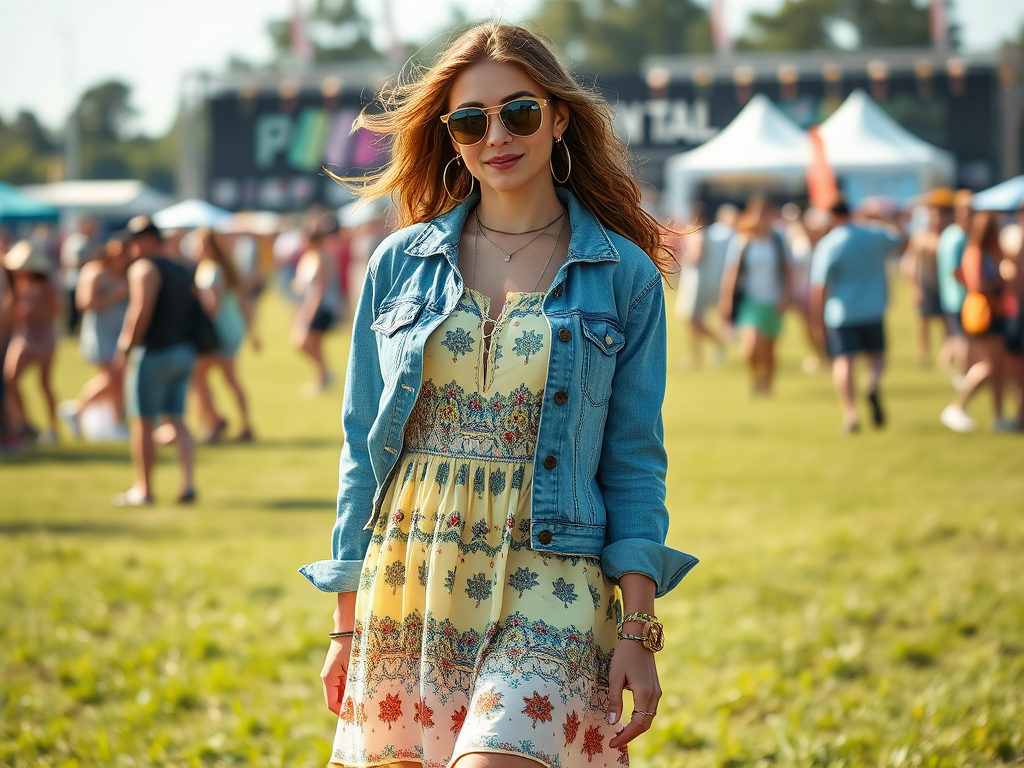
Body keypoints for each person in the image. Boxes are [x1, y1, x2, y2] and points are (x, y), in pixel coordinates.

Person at [298, 23, 698, 768]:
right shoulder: (398, 265)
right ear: (449, 136)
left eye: (517, 112)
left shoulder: (624, 276)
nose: (496, 136)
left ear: (558, 117)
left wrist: (639, 632)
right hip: (413, 571)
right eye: (469, 121)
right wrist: (344, 627)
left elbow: (635, 461)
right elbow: (362, 449)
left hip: (555, 570)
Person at [113, 216, 198, 506]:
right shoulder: (180, 268)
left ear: (148, 240)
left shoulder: (144, 268)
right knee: (176, 418)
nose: (131, 248)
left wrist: (125, 347)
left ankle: (144, 489)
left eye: (135, 241)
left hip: (154, 353)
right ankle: (187, 483)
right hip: (184, 351)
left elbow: (140, 310)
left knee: (144, 422)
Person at [809, 199, 903, 433]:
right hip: (873, 308)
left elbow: (819, 285)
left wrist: (816, 318)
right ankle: (872, 382)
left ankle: (851, 415)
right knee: (877, 358)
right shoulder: (873, 235)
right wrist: (880, 218)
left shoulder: (830, 243)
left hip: (842, 312)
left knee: (844, 362)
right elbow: (901, 240)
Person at [939, 211, 1012, 433]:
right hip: (985, 313)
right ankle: (958, 406)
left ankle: (998, 415)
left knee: (998, 367)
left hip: (989, 312)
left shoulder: (987, 252)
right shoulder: (976, 253)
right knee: (990, 366)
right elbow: (979, 284)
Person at [59, 233, 131, 438]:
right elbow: (84, 302)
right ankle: (78, 410)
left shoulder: (126, 272)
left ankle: (116, 423)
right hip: (101, 332)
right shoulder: (95, 271)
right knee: (112, 377)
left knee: (120, 379)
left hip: (121, 330)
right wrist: (114, 294)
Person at [718, 195, 791, 396]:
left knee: (769, 349)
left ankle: (767, 386)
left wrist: (786, 296)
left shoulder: (778, 240)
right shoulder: (742, 241)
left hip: (773, 300)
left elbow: (787, 270)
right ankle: (755, 379)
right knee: (750, 348)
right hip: (750, 301)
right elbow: (731, 274)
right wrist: (726, 302)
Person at [191, 227, 255, 443]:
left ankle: (215, 422)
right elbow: (242, 302)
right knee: (221, 379)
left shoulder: (212, 269)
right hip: (229, 331)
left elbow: (212, 305)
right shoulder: (221, 267)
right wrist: (252, 332)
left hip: (218, 333)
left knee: (200, 377)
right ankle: (228, 423)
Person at [2, 240, 60, 445]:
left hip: (44, 336)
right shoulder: (16, 285)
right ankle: (24, 422)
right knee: (10, 379)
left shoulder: (46, 286)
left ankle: (53, 427)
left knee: (44, 383)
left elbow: (55, 311)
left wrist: (30, 309)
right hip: (23, 335)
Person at [291, 213, 343, 395]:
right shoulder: (309, 257)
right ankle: (322, 378)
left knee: (302, 342)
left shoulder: (321, 258)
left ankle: (325, 374)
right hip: (309, 306)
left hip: (320, 308)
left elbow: (320, 289)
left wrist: (309, 312)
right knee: (312, 344)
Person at [903, 190, 954, 368]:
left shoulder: (948, 238)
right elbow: (910, 266)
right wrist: (914, 287)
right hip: (927, 285)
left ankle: (948, 356)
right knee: (923, 323)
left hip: (946, 287)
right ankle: (923, 357)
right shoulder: (921, 238)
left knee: (947, 324)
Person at [674, 202, 729, 368]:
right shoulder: (701, 233)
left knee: (693, 319)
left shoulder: (698, 234)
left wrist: (680, 260)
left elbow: (697, 255)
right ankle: (696, 356)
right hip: (695, 279)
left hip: (696, 281)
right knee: (692, 320)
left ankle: (718, 343)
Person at [936, 190, 974, 389]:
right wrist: (972, 288)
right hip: (960, 297)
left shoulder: (949, 234)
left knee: (957, 337)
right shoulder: (957, 237)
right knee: (962, 340)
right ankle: (963, 375)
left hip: (950, 296)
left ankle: (953, 369)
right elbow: (955, 270)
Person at [60, 217, 101, 334]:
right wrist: (91, 260)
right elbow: (73, 261)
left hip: (76, 280)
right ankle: (72, 332)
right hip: (76, 281)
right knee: (75, 310)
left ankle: (74, 331)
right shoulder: (79, 241)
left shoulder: (77, 240)